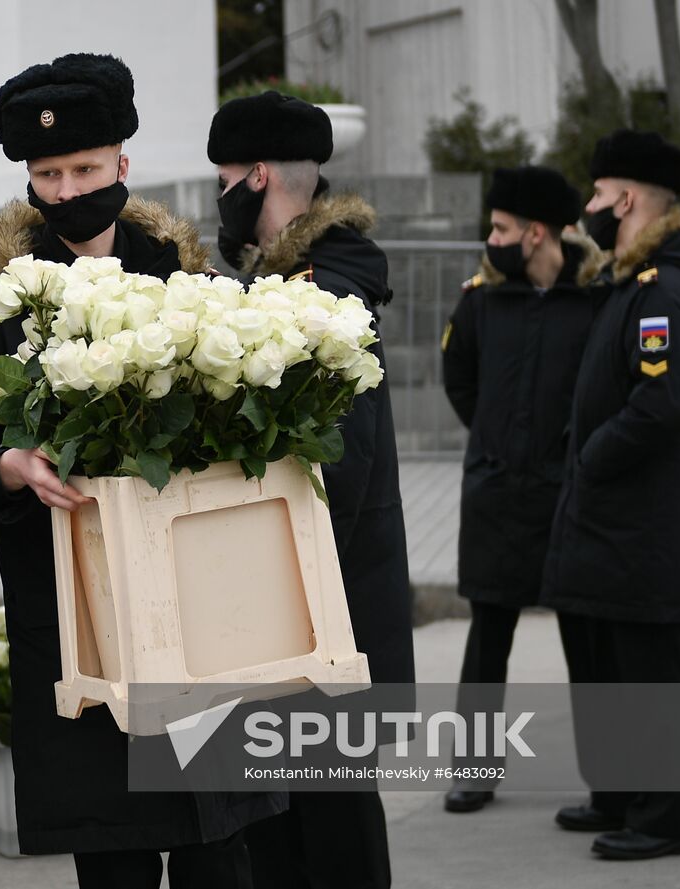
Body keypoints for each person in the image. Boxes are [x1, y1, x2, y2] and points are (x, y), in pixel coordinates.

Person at [0, 53, 284, 889]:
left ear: (122, 165)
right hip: (76, 627)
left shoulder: (200, 291)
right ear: (29, 180)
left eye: (86, 168)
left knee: (220, 855)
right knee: (112, 860)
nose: (70, 190)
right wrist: (6, 466)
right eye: (49, 173)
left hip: (206, 628)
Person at [207, 89, 414, 889]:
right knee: (287, 819)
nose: (219, 195)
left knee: (330, 827)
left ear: (258, 177)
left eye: (225, 177)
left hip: (322, 610)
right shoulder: (292, 278)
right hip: (301, 612)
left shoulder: (325, 293)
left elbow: (341, 466)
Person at [541, 129, 680, 861]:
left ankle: (668, 816)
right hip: (611, 527)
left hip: (644, 528)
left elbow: (660, 403)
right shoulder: (628, 282)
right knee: (610, 664)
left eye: (599, 196)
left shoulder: (662, 291)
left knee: (650, 672)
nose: (588, 210)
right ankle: (618, 790)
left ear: (632, 198)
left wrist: (591, 455)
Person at [440, 166, 601, 813]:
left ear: (536, 234)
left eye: (502, 228)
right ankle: (474, 769)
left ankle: (608, 781)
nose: (492, 238)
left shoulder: (595, 300)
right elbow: (461, 380)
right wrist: (496, 441)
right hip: (498, 494)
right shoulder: (481, 299)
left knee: (588, 639)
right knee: (488, 635)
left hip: (568, 497)